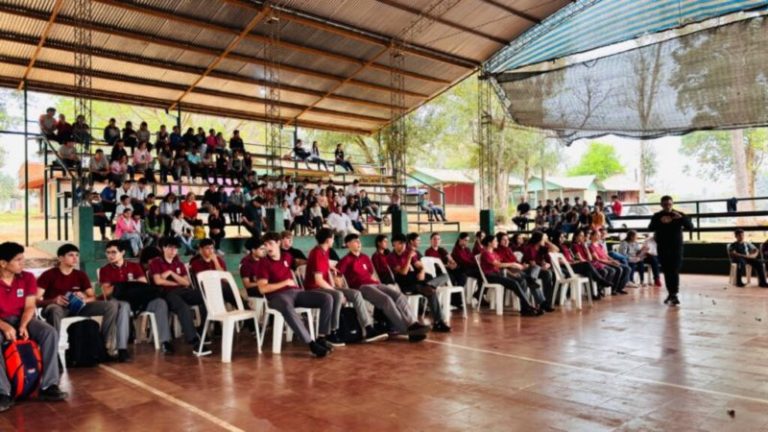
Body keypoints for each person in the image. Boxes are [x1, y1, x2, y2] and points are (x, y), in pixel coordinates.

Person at [0, 242, 68, 411]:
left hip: (22, 317)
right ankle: (3, 392)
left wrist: (23, 325)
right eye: (18, 260)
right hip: (0, 321)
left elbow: (30, 306)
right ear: (3, 263)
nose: (23, 263)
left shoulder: (27, 277)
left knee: (49, 332)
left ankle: (48, 386)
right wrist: (5, 327)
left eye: (23, 259)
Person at [337, 234, 429, 341]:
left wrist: (379, 284)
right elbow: (337, 276)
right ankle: (407, 330)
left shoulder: (365, 257)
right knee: (386, 300)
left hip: (375, 284)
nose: (359, 243)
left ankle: (413, 323)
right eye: (355, 241)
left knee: (399, 296)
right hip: (362, 287)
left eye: (359, 241)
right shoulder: (345, 260)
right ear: (348, 244)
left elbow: (371, 274)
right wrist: (343, 291)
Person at [256, 232, 334, 357]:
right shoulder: (263, 263)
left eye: (270, 243)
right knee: (287, 307)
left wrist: (329, 266)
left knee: (327, 298)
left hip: (296, 292)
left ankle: (321, 338)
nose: (268, 247)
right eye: (265, 244)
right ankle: (311, 344)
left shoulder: (287, 256)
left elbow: (303, 263)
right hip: (277, 297)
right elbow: (262, 289)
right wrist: (285, 282)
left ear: (278, 243)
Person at [37, 244, 120, 359]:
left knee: (111, 306)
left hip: (78, 307)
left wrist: (83, 297)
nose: (75, 258)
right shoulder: (49, 274)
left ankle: (107, 346)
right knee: (55, 310)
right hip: (57, 307)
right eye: (71, 255)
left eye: (77, 255)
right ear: (60, 258)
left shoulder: (80, 275)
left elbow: (93, 297)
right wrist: (54, 300)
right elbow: (35, 300)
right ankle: (53, 353)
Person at [305, 228, 388, 344]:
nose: (334, 240)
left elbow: (321, 265)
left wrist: (330, 266)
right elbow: (318, 280)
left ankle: (368, 328)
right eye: (333, 238)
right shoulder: (317, 253)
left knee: (356, 293)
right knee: (338, 295)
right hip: (314, 288)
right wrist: (334, 289)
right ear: (329, 240)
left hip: (324, 287)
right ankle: (333, 332)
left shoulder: (325, 251)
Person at [98, 240, 174, 355]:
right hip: (121, 302)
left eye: (114, 252)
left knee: (160, 303)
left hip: (140, 302)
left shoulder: (134, 266)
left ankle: (165, 342)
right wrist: (127, 284)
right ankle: (122, 348)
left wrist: (119, 286)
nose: (110, 255)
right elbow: (107, 292)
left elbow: (143, 284)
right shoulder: (105, 270)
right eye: (108, 253)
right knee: (124, 306)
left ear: (122, 252)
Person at [148, 237, 206, 347]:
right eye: (170, 248)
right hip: (166, 294)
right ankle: (193, 339)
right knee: (183, 307)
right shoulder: (156, 262)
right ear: (164, 248)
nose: (173, 251)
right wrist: (176, 283)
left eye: (175, 249)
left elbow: (186, 283)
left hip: (182, 291)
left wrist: (171, 273)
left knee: (204, 296)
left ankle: (203, 329)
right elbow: (158, 281)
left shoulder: (178, 264)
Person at [387, 233, 451, 332]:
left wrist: (421, 271)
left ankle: (430, 285)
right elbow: (403, 272)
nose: (403, 246)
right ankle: (438, 322)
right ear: (393, 244)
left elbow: (419, 265)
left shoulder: (409, 251)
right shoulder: (391, 257)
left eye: (403, 243)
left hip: (418, 280)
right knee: (430, 291)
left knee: (444, 276)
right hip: (407, 284)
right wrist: (408, 258)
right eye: (399, 243)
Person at [478, 235, 542, 316]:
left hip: (498, 274)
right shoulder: (486, 253)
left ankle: (525, 308)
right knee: (514, 283)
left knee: (519, 281)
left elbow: (501, 268)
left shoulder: (493, 253)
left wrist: (512, 273)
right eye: (495, 241)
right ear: (489, 243)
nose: (497, 242)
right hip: (490, 276)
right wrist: (512, 264)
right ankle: (528, 306)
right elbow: (498, 265)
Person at [648, 196, 693, 305]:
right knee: (667, 271)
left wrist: (681, 218)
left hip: (676, 247)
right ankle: (671, 294)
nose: (667, 206)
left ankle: (674, 294)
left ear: (672, 204)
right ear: (661, 205)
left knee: (674, 270)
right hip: (663, 247)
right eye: (665, 204)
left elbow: (691, 227)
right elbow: (650, 228)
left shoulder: (679, 214)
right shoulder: (657, 216)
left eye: (669, 204)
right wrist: (660, 222)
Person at [588, 230, 629, 295]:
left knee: (627, 268)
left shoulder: (600, 245)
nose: (599, 236)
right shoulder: (590, 246)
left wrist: (613, 260)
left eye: (599, 235)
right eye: (597, 235)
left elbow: (606, 255)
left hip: (607, 261)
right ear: (592, 236)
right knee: (618, 269)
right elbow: (598, 259)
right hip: (601, 263)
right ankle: (612, 289)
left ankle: (619, 288)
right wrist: (610, 262)